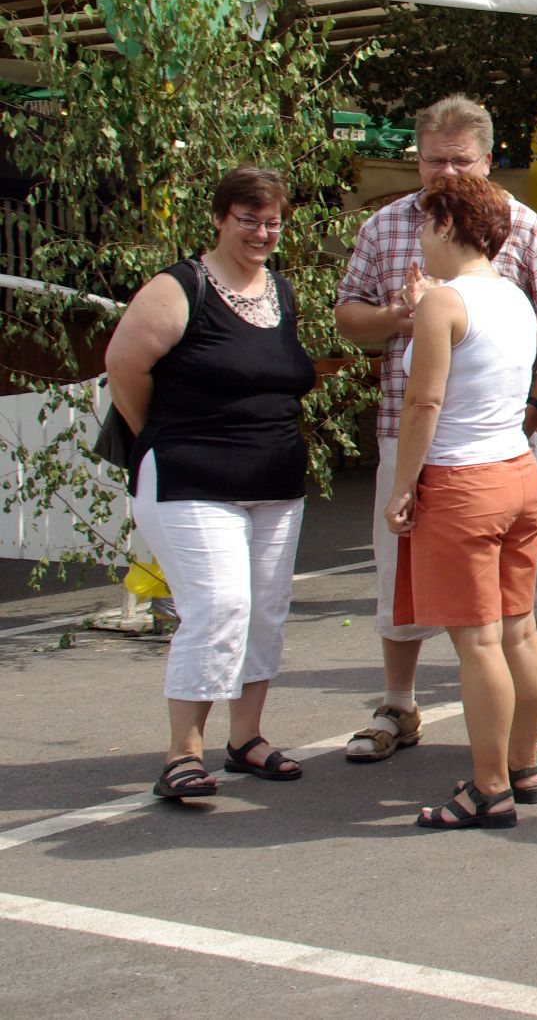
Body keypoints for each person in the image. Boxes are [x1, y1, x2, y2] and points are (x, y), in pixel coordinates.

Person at [334, 95, 537, 767]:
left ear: (488, 160)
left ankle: (516, 739)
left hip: (488, 443)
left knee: (507, 608)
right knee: (400, 576)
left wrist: (536, 405)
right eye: (432, 161)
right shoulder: (385, 225)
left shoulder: (527, 229)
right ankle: (400, 704)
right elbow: (348, 316)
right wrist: (399, 318)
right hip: (420, 436)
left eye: (459, 162)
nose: (444, 174)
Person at [109, 167, 318, 801]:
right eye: (248, 220)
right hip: (190, 478)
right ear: (221, 219)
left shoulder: (280, 290)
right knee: (219, 607)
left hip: (275, 479)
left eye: (272, 222)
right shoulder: (180, 287)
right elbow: (124, 367)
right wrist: (162, 437)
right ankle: (184, 753)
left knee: (264, 611)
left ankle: (246, 738)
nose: (261, 233)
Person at [382, 177, 537, 829]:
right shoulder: (513, 297)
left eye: (428, 224)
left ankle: (489, 787)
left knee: (479, 643)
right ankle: (522, 767)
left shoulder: (443, 303)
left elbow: (423, 403)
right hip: (516, 472)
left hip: (461, 481)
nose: (422, 237)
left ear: (449, 226)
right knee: (518, 630)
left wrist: (403, 485)